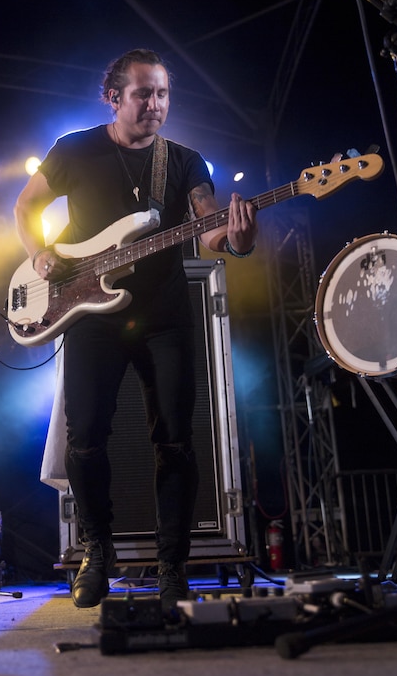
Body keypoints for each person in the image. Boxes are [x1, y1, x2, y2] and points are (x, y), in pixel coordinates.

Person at [14, 48, 258, 611]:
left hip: (163, 317)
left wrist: (237, 239)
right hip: (91, 314)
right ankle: (97, 551)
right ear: (113, 97)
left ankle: (173, 566)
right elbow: (26, 207)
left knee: (176, 440)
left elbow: (208, 229)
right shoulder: (74, 149)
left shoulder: (185, 161)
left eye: (163, 93)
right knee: (84, 438)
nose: (155, 104)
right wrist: (40, 253)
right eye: (144, 93)